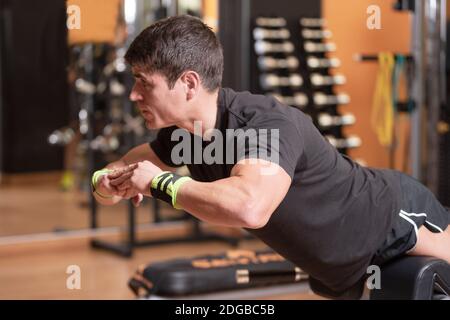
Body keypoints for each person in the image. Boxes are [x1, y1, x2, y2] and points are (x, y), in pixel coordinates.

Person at [91, 15, 450, 294]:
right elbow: (124, 168)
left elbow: (250, 206)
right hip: (343, 265)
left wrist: (161, 184)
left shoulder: (263, 124)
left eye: (144, 81)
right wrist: (105, 183)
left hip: (396, 219)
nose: (133, 95)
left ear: (188, 84)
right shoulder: (181, 134)